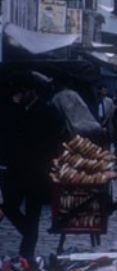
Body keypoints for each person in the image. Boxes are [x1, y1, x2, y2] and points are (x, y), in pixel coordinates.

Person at [1, 71, 63, 260]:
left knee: (33, 213)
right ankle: (28, 234)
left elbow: (54, 141)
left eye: (25, 91)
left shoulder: (47, 110)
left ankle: (26, 254)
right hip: (17, 171)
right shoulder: (18, 110)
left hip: (37, 172)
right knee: (10, 207)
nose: (20, 95)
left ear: (33, 92)